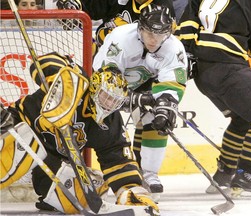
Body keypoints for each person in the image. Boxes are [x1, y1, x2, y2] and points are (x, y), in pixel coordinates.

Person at [0, 52, 159, 215]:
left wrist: (131, 191)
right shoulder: (75, 83)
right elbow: (42, 62)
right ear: (95, 89)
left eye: (115, 101)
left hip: (50, 159)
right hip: (18, 129)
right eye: (106, 97)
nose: (109, 105)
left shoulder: (110, 122)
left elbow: (118, 160)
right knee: (19, 152)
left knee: (75, 200)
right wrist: (62, 77)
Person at [175, 0, 251, 199]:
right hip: (227, 65)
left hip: (203, 71)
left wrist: (189, 52)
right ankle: (244, 175)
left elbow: (186, 27)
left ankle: (223, 176)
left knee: (243, 118)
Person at [93, 3, 187, 201]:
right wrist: (132, 99)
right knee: (101, 125)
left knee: (159, 117)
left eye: (161, 35)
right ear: (140, 27)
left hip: (144, 83)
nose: (155, 40)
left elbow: (172, 84)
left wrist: (165, 106)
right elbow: (104, 83)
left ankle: (149, 173)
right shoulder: (120, 38)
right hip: (104, 84)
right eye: (150, 34)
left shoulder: (174, 46)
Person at [56, 0, 175, 57]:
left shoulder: (163, 9)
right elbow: (91, 7)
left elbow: (159, 47)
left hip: (138, 72)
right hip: (102, 61)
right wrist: (74, 8)